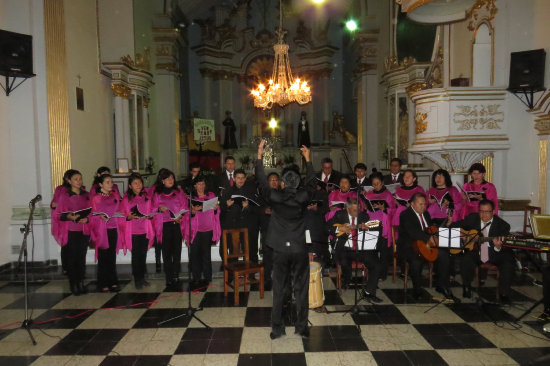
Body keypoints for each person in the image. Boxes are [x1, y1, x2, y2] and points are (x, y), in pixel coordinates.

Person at [255, 139, 315, 339]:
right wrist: (308, 160)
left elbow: (261, 181)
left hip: (280, 249)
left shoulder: (275, 197)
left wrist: (259, 156)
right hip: (298, 248)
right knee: (301, 289)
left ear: (282, 183)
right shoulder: (302, 197)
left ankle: (277, 329)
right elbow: (312, 182)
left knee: (279, 289)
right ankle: (301, 327)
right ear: (298, 183)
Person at [451, 199, 513, 301]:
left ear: (493, 212)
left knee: (508, 262)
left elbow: (504, 245)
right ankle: (466, 287)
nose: (484, 215)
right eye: (481, 211)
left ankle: (504, 293)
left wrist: (498, 246)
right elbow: (454, 225)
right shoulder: (472, 218)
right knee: (466, 259)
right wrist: (460, 233)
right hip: (477, 251)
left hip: (495, 253)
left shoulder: (503, 225)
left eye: (487, 212)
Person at [397, 192, 455, 300]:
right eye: (420, 204)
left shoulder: (426, 214)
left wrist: (445, 224)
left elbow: (430, 229)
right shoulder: (405, 214)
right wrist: (428, 238)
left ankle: (442, 285)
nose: (423, 207)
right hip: (408, 246)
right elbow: (412, 232)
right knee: (416, 261)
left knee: (444, 254)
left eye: (425, 204)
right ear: (412, 204)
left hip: (425, 245)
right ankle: (417, 290)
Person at [328, 198, 383, 302]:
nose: (357, 212)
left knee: (376, 264)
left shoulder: (364, 216)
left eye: (358, 210)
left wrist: (368, 228)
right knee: (344, 261)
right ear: (347, 209)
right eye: (354, 210)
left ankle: (369, 292)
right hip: (345, 248)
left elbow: (373, 229)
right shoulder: (339, 215)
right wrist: (339, 229)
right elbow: (328, 227)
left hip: (361, 248)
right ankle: (346, 280)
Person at [53, 170, 91, 296]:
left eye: (80, 179)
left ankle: (81, 282)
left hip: (83, 229)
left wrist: (88, 218)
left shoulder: (86, 195)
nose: (79, 181)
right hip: (71, 231)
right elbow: (59, 215)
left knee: (81, 258)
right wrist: (69, 216)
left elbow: (92, 210)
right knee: (72, 259)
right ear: (69, 181)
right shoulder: (65, 196)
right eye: (76, 179)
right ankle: (73, 283)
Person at [152, 169, 188, 288]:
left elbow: (184, 206)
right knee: (166, 253)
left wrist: (180, 216)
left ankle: (176, 274)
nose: (170, 180)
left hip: (176, 224)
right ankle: (168, 277)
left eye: (172, 178)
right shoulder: (157, 193)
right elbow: (152, 209)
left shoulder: (179, 192)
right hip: (164, 226)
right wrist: (158, 209)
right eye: (167, 179)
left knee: (177, 251)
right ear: (162, 181)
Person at [120, 173, 155, 290]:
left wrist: (150, 215)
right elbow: (123, 214)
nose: (138, 185)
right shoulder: (126, 199)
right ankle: (137, 280)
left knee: (143, 255)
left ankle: (142, 278)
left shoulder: (146, 197)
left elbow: (150, 210)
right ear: (130, 186)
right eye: (135, 183)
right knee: (136, 256)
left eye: (140, 182)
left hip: (145, 229)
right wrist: (128, 217)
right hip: (133, 231)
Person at [90, 174, 123, 293]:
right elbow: (93, 215)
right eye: (108, 182)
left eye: (111, 182)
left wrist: (119, 213)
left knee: (111, 257)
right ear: (100, 184)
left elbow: (120, 209)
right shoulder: (96, 198)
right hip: (102, 230)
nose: (111, 184)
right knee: (103, 257)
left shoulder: (115, 195)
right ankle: (102, 282)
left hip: (113, 228)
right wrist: (100, 216)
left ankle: (113, 281)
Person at [220, 168, 260, 263]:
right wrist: (227, 205)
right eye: (238, 178)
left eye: (242, 178)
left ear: (245, 179)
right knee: (234, 250)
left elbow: (257, 207)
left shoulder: (251, 190)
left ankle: (251, 275)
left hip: (248, 225)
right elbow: (222, 208)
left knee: (251, 250)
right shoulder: (227, 191)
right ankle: (233, 275)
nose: (241, 180)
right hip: (234, 225)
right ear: (233, 179)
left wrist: (248, 207)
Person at [188, 175, 221, 290]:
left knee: (206, 254)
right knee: (195, 254)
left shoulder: (210, 196)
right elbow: (186, 216)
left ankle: (207, 276)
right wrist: (192, 212)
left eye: (202, 184)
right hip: (196, 230)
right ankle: (196, 276)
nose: (201, 186)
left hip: (208, 229)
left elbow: (217, 211)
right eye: (198, 184)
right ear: (194, 186)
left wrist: (216, 208)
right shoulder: (190, 198)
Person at [259, 172, 280, 290]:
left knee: (279, 256)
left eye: (276, 180)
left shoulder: (283, 194)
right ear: (267, 182)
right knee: (267, 256)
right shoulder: (263, 195)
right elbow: (257, 208)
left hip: (280, 230)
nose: (274, 182)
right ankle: (267, 279)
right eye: (271, 180)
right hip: (267, 228)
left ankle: (279, 278)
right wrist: (264, 210)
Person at [51, 169, 74, 275]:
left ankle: (76, 266)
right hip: (64, 221)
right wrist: (62, 205)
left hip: (76, 219)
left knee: (76, 245)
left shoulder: (81, 190)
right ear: (67, 179)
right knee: (66, 244)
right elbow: (54, 204)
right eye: (75, 178)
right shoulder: (60, 189)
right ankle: (66, 267)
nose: (78, 181)